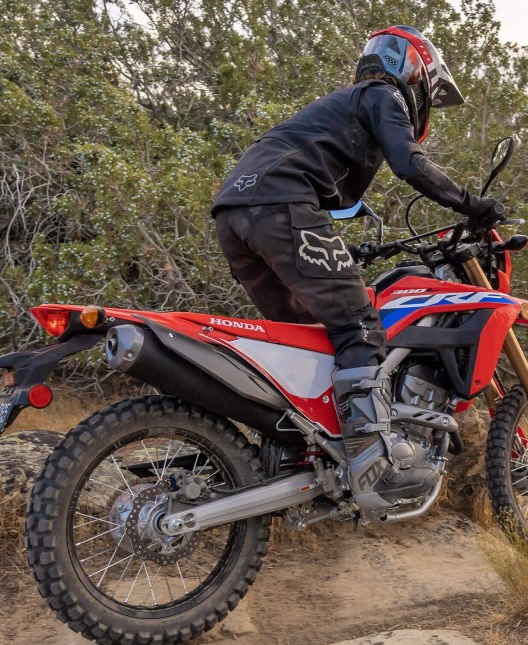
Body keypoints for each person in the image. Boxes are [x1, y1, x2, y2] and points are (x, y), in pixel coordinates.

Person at [211, 25, 505, 494]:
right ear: (415, 72)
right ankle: (372, 463)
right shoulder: (383, 95)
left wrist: (346, 247)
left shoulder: (338, 107)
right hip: (281, 206)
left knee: (306, 335)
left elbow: (311, 185)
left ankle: (293, 453)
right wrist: (472, 204)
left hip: (234, 215)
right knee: (359, 325)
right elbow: (409, 163)